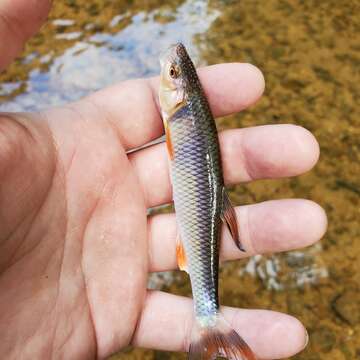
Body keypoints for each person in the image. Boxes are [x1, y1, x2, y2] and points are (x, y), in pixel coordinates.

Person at [0, 1, 327, 359]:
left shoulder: (184, 113)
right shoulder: (183, 113)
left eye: (171, 74)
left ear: (180, 99)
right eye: (173, 71)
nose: (167, 72)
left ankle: (208, 317)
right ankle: (208, 319)